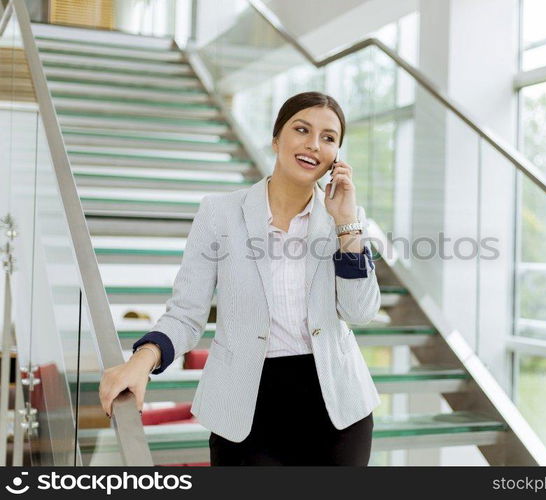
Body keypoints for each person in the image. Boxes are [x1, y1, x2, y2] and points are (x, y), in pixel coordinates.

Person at [99, 91, 382, 466]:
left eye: (328, 138)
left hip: (337, 409)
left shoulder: (345, 216)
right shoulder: (220, 213)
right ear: (277, 139)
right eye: (302, 130)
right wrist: (143, 359)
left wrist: (346, 224)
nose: (314, 144)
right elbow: (186, 313)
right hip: (245, 409)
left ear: (337, 158)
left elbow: (360, 311)